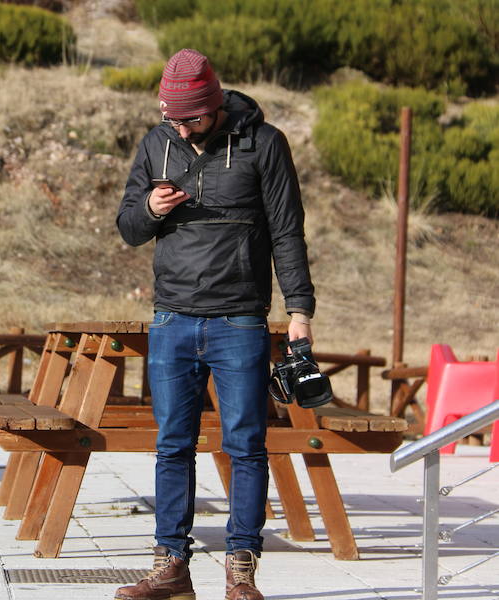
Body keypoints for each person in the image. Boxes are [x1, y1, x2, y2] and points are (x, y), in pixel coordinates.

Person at [113, 49, 316, 600]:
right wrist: (152, 209)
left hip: (241, 320)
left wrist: (299, 311)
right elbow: (128, 227)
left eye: (191, 118)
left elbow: (287, 234)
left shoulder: (265, 145)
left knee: (245, 444)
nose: (181, 127)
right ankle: (170, 567)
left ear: (215, 106)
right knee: (172, 444)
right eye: (172, 118)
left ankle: (241, 571)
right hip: (171, 317)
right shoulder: (157, 144)